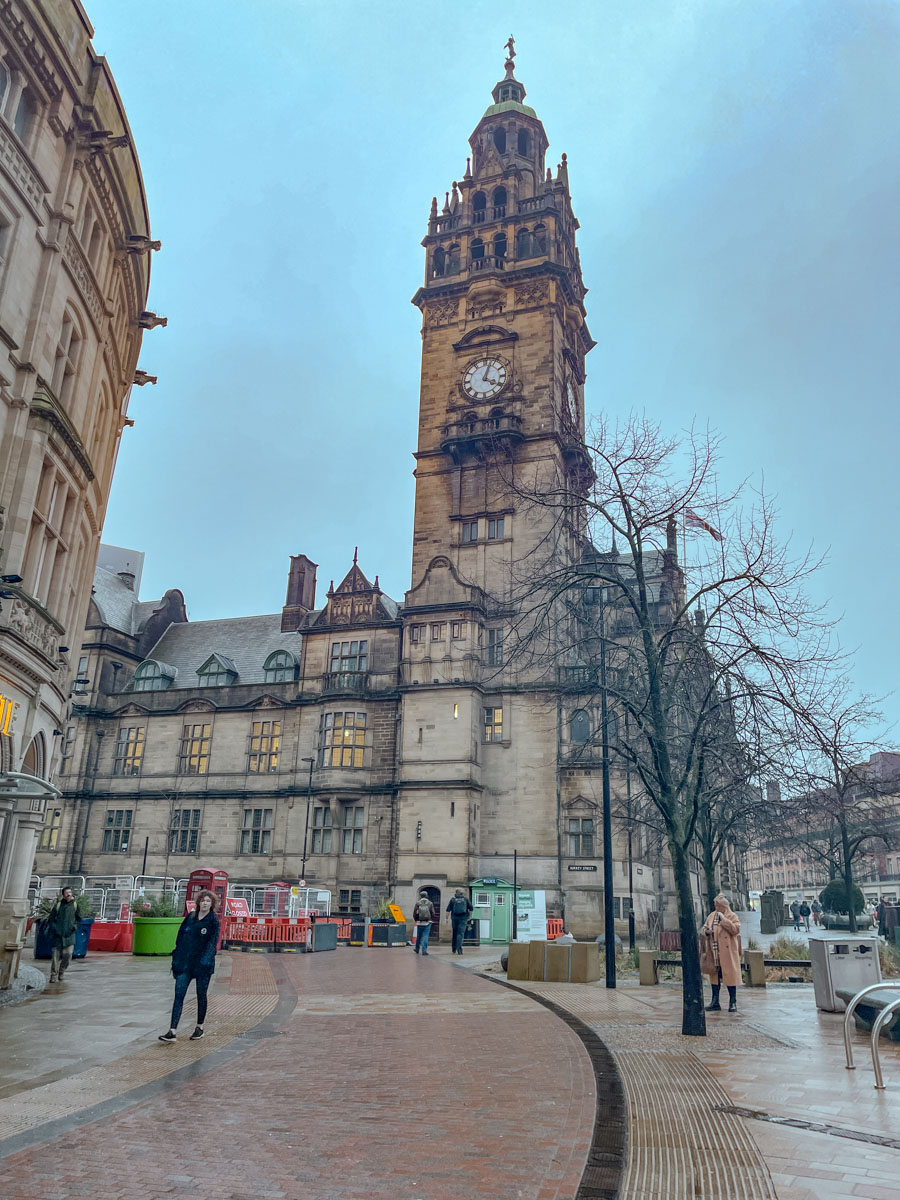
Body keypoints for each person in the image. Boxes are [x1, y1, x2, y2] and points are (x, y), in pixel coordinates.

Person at [159, 890, 219, 1043]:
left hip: (202, 966)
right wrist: (176, 958)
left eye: (208, 901)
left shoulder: (213, 921)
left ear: (211, 904)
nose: (205, 903)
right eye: (203, 900)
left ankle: (199, 1027)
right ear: (198, 902)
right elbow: (180, 938)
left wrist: (205, 962)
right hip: (185, 964)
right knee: (179, 995)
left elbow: (212, 944)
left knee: (201, 995)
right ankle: (172, 1031)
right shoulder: (190, 918)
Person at [702, 893, 742, 1013]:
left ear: (723, 906)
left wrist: (724, 920)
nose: (716, 908)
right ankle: (715, 1002)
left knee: (730, 978)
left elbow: (735, 930)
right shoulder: (711, 916)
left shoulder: (732, 916)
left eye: (718, 905)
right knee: (714, 977)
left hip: (727, 952)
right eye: (715, 905)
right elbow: (704, 928)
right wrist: (707, 932)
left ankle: (732, 1002)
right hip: (714, 952)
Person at [47, 887, 83, 983]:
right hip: (57, 935)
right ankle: (53, 975)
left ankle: (61, 971)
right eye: (67, 893)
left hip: (69, 934)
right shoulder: (58, 905)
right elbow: (51, 919)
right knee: (55, 956)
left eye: (70, 892)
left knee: (68, 954)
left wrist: (74, 927)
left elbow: (79, 919)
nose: (69, 894)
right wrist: (55, 928)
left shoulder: (75, 905)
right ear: (63, 895)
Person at [446, 888, 472, 956]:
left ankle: (453, 949)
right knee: (460, 934)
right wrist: (470, 916)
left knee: (454, 933)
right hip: (463, 918)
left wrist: (446, 918)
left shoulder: (453, 900)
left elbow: (448, 910)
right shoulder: (466, 899)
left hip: (454, 918)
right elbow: (471, 908)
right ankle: (459, 950)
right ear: (462, 893)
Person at [412, 890, 436, 955]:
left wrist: (416, 920)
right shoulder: (430, 903)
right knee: (425, 936)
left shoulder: (418, 903)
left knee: (419, 936)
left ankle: (417, 949)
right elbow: (433, 913)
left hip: (419, 922)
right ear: (427, 895)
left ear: (421, 896)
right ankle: (424, 951)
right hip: (427, 922)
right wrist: (431, 919)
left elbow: (414, 913)